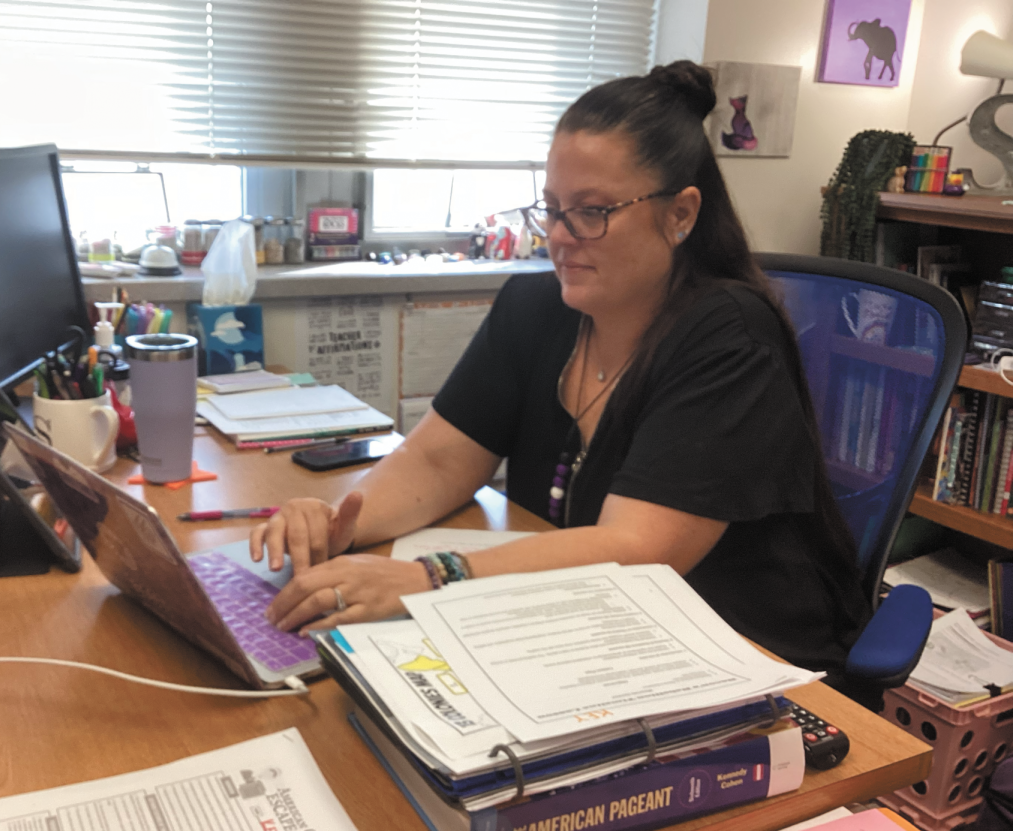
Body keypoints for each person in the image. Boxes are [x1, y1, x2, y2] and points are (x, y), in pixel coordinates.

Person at [250, 60, 871, 684]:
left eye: (592, 211)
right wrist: (336, 524)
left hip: (732, 647)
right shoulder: (537, 306)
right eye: (551, 209)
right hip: (582, 627)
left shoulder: (729, 337)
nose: (561, 237)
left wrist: (430, 578)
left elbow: (638, 552)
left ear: (681, 214)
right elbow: (438, 460)